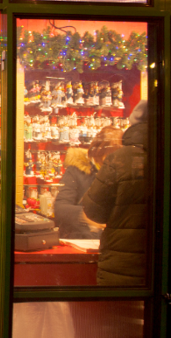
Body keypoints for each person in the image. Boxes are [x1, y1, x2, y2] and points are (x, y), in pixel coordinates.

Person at [82, 100, 148, 286]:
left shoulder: (120, 160)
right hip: (170, 271)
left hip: (123, 269)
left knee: (119, 314)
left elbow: (95, 211)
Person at [54, 126, 123, 239]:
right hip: (80, 238)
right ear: (98, 152)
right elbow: (60, 208)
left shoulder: (121, 174)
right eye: (110, 155)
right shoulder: (77, 171)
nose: (114, 160)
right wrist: (87, 216)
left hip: (112, 240)